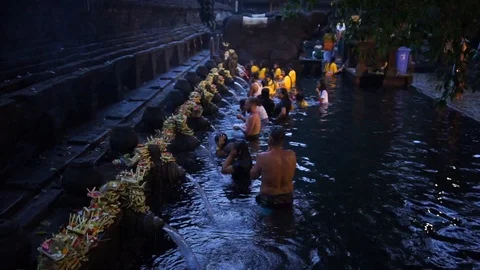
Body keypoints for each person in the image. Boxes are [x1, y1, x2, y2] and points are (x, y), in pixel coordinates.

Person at [250, 126, 296, 207]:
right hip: (288, 198)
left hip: (269, 200)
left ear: (270, 139)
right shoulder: (291, 155)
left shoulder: (262, 156)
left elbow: (253, 176)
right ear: (282, 140)